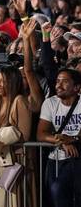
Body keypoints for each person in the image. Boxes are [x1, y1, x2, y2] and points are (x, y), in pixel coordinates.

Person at [0, 65, 32, 207]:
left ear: (13, 82)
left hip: (12, 162)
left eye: (3, 81)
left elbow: (25, 135)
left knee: (8, 202)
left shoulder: (19, 101)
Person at [37, 68, 81, 207]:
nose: (58, 85)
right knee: (55, 197)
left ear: (77, 87)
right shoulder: (50, 103)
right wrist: (62, 141)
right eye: (57, 81)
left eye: (65, 81)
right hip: (56, 161)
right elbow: (41, 134)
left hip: (78, 159)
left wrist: (73, 139)